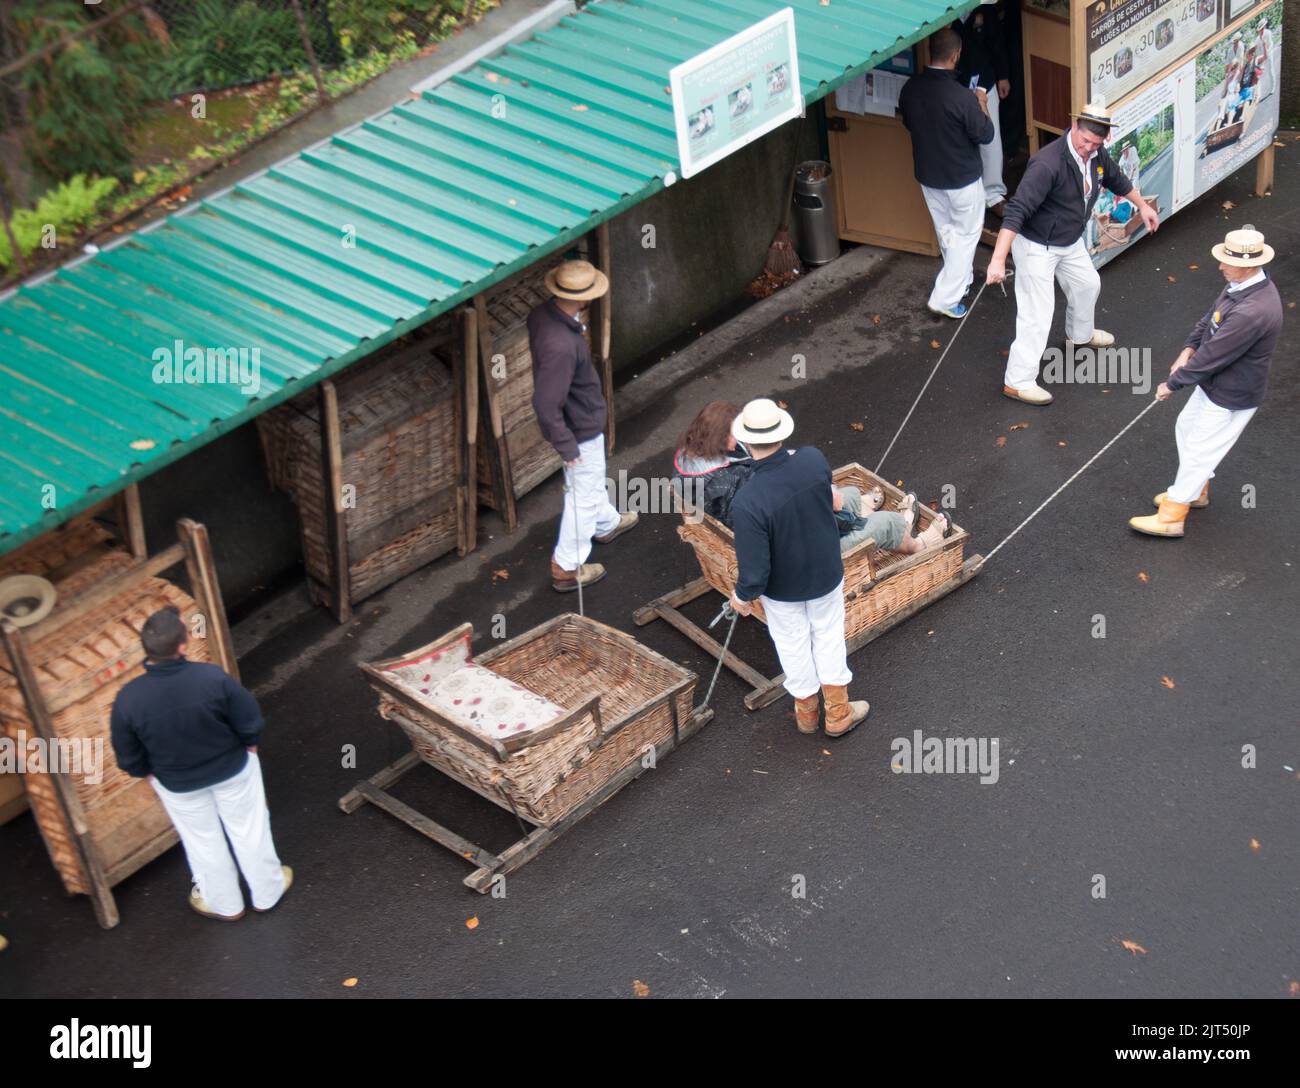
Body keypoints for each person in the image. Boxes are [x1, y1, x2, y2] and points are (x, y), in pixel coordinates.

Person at [109, 606, 290, 921]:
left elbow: (128, 755)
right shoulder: (211, 678)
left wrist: (147, 773)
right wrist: (249, 746)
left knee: (202, 842)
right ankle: (267, 893)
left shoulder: (128, 699)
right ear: (182, 646)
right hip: (232, 769)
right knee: (250, 829)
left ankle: (225, 905)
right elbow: (249, 720)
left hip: (178, 785)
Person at [987, 100, 1160, 405]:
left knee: (1088, 284)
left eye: (1095, 144)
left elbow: (1115, 178)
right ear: (1075, 127)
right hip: (1037, 245)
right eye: (1084, 141)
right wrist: (999, 258)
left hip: (1069, 240)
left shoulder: (1096, 154)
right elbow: (1017, 210)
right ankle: (1017, 381)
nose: (1087, 148)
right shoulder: (1047, 163)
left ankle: (1079, 336)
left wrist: (1142, 205)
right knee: (1037, 314)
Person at [726, 399, 870, 738]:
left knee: (791, 644)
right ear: (780, 432)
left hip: (782, 591)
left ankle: (806, 715)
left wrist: (741, 597)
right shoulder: (813, 459)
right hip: (825, 574)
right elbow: (832, 500)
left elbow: (755, 572)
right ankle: (838, 713)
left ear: (746, 443)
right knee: (828, 637)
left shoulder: (747, 502)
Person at [1130, 226, 1282, 538]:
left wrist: (1172, 384)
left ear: (1248, 264)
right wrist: (1187, 350)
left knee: (1200, 449)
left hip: (1232, 394)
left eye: (1227, 261)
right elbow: (1209, 319)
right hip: (1215, 384)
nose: (1220, 265)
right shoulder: (1240, 285)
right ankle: (1196, 489)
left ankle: (1173, 514)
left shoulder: (1253, 311)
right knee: (1186, 427)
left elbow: (1214, 354)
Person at [529, 259, 638, 593]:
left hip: (577, 423)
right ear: (584, 297)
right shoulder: (562, 345)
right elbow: (546, 403)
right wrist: (567, 445)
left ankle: (606, 524)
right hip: (580, 429)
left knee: (588, 487)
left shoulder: (542, 317)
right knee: (583, 497)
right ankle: (567, 566)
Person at [898, 26, 995, 319]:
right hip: (962, 179)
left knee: (948, 233)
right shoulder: (962, 97)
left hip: (929, 175)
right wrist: (983, 105)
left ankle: (960, 282)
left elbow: (908, 123)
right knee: (966, 237)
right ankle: (944, 297)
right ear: (956, 55)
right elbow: (986, 134)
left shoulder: (911, 88)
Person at [954, 3, 1012, 216]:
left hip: (983, 81)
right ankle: (966, 197)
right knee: (959, 140)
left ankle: (994, 194)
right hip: (954, 85)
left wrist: (1003, 75)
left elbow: (997, 41)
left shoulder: (985, 9)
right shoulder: (944, 16)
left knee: (991, 138)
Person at [671, 400, 754, 525]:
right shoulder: (727, 479)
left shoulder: (688, 451)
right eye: (734, 433)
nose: (738, 437)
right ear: (721, 438)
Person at [834, 485, 950, 554]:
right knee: (884, 522)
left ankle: (863, 511)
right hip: (826, 553)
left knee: (846, 496)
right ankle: (915, 545)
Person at [1254, 17, 1276, 102]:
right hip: (1262, 55)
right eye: (1260, 28)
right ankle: (1258, 92)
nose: (1262, 30)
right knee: (1259, 73)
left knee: (1270, 70)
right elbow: (1258, 50)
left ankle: (1273, 87)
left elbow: (1270, 45)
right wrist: (1261, 59)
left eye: (1263, 27)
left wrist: (1267, 53)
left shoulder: (1268, 33)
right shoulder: (1257, 39)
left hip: (1269, 53)